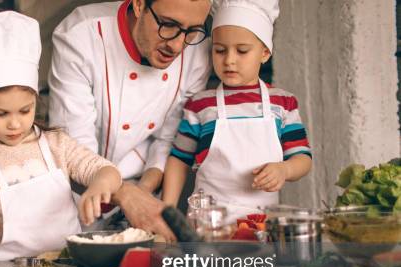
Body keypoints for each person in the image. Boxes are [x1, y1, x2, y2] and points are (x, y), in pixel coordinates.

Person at [0, 12, 122, 263]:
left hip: (68, 265)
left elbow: (107, 171)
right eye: (0, 113)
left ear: (35, 101)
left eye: (25, 110)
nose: (14, 123)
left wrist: (98, 185)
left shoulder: (57, 145)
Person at [48, 0, 212, 240]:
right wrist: (126, 194)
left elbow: (168, 139)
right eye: (168, 25)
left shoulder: (198, 52)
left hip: (145, 193)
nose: (177, 45)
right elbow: (73, 150)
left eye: (192, 31)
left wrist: (142, 193)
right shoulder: (81, 35)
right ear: (138, 4)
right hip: (81, 202)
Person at [162, 0, 312, 220]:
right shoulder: (201, 105)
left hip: (261, 224)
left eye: (242, 51)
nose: (229, 61)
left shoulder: (283, 103)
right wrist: (167, 212)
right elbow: (178, 159)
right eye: (220, 50)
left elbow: (302, 158)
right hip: (208, 226)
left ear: (265, 53)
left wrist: (284, 170)